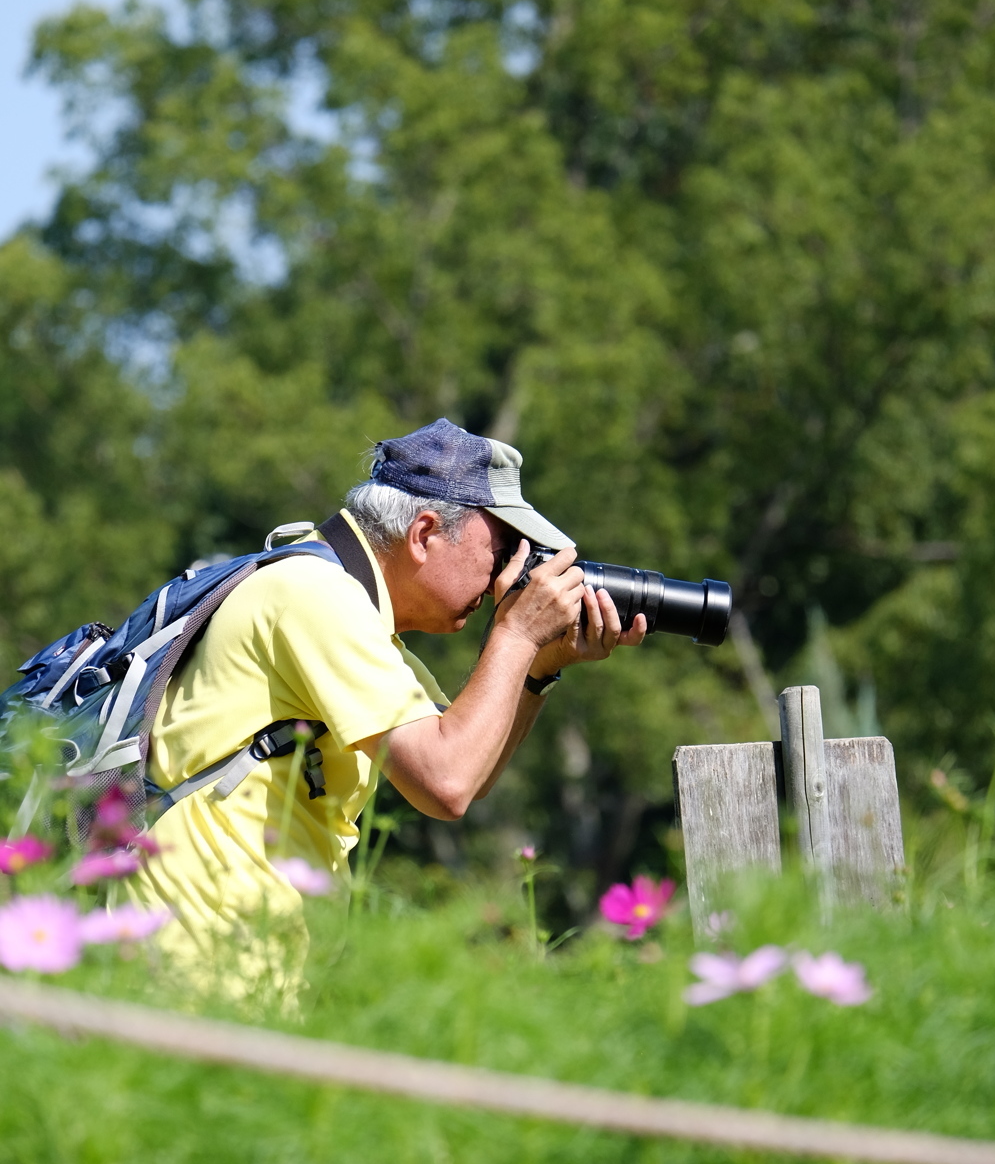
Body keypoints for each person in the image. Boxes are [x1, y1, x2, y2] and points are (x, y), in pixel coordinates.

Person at [134, 418, 645, 978]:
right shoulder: (315, 594)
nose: (506, 579)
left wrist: (537, 669)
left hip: (238, 949)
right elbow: (444, 781)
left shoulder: (349, 608)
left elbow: (463, 773)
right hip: (199, 953)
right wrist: (516, 635)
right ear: (425, 533)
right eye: (500, 555)